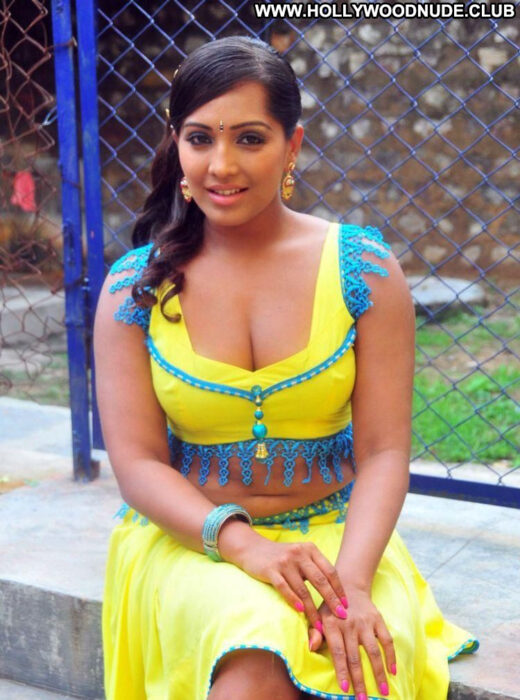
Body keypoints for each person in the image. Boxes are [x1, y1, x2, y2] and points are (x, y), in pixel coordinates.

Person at [94, 35, 478, 700]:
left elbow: (384, 452)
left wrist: (352, 586)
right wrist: (248, 547)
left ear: (291, 145)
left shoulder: (364, 272)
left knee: (358, 665)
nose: (222, 165)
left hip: (343, 545)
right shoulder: (136, 289)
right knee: (254, 662)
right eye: (199, 139)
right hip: (197, 542)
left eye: (250, 139)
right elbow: (138, 465)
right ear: (177, 146)